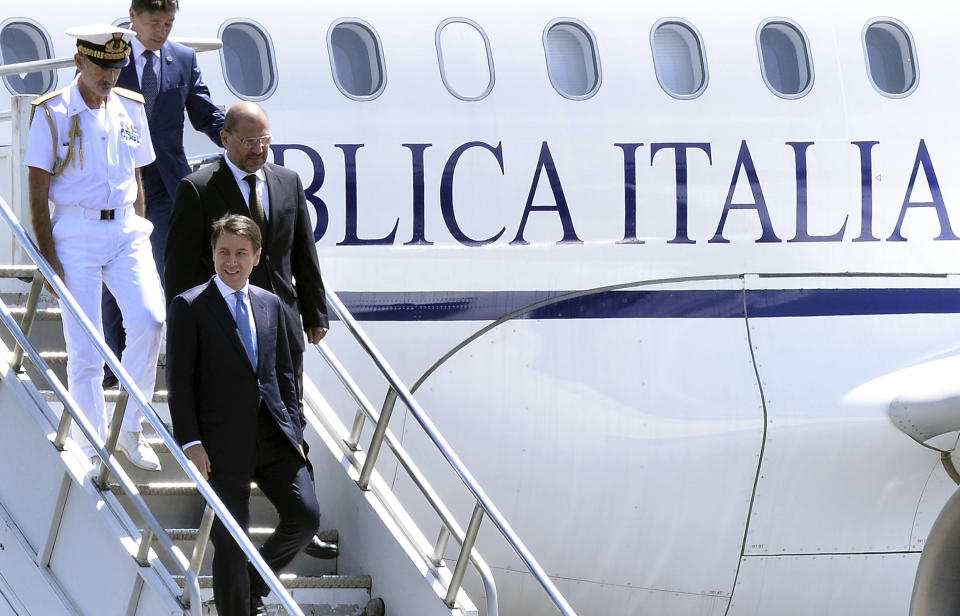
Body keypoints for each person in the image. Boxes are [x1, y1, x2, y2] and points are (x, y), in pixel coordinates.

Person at [24, 24, 164, 470]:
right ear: (80, 62)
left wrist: (139, 221)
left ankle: (129, 427)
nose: (111, 76)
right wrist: (49, 258)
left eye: (118, 67)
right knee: (85, 344)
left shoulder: (130, 108)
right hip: (75, 232)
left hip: (125, 229)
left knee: (151, 319)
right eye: (103, 67)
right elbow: (37, 189)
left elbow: (137, 175)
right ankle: (89, 439)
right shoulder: (52, 112)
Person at [166, 215, 320, 616]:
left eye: (240, 253)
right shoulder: (190, 306)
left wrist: (295, 432)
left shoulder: (270, 304)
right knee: (231, 543)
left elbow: (284, 374)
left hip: (273, 436)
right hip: (218, 446)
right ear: (213, 255)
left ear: (257, 257)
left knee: (306, 516)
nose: (230, 262)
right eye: (223, 253)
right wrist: (191, 442)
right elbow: (178, 383)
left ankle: (255, 581)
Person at [166, 101, 328, 405]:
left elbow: (303, 253)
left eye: (264, 140)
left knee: (291, 417)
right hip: (226, 328)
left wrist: (315, 312)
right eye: (249, 142)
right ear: (226, 139)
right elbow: (180, 269)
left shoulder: (288, 181)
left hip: (282, 323)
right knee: (237, 419)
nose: (258, 150)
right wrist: (184, 330)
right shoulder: (198, 188)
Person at [102, 0, 225, 386]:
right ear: (133, 17)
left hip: (167, 184)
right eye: (154, 23)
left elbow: (204, 112)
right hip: (121, 181)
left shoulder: (183, 59)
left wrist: (233, 134)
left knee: (170, 270)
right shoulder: (111, 54)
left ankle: (173, 362)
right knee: (119, 273)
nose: (161, 32)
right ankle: (113, 362)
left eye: (169, 24)